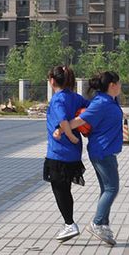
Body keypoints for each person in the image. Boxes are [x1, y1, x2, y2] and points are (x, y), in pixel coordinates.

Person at [57, 71, 123, 246]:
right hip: (102, 152)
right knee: (112, 189)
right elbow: (78, 121)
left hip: (107, 151)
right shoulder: (100, 103)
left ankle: (103, 225)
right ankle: (97, 222)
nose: (121, 86)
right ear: (112, 85)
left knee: (106, 189)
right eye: (119, 83)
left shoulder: (110, 100)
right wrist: (61, 129)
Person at [44, 65, 89, 242]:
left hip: (59, 153)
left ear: (52, 81)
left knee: (60, 190)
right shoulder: (76, 97)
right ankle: (68, 223)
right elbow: (90, 110)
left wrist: (69, 134)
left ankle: (69, 224)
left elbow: (62, 119)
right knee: (65, 189)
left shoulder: (58, 99)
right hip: (73, 155)